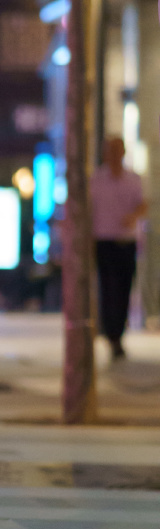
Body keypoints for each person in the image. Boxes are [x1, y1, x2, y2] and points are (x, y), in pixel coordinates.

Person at [90, 137, 147, 361]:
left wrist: (132, 217)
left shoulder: (133, 179)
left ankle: (118, 334)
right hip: (103, 241)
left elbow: (143, 203)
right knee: (107, 288)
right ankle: (110, 334)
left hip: (125, 242)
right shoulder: (96, 180)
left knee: (123, 289)